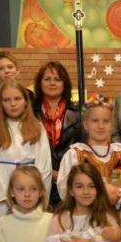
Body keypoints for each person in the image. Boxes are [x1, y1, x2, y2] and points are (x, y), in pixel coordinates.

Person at [0, 79, 52, 217]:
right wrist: (5, 197)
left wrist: (33, 193)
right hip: (2, 198)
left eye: (17, 98)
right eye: (6, 100)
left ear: (26, 101)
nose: (12, 104)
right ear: (0, 103)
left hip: (31, 194)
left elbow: (44, 165)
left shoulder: (38, 127)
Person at [56, 96, 121, 207]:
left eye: (106, 121)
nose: (101, 126)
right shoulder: (74, 155)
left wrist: (117, 195)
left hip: (118, 214)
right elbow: (65, 190)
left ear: (112, 125)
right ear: (86, 124)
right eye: (95, 121)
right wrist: (100, 194)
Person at [31, 61, 81, 204]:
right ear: (39, 83)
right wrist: (48, 171)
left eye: (57, 79)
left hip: (70, 181)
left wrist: (64, 173)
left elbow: (82, 149)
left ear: (65, 84)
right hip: (37, 180)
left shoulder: (78, 114)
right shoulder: (30, 112)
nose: (52, 83)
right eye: (47, 79)